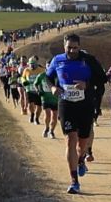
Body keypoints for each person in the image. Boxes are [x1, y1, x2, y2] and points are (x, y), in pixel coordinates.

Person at [45, 33, 105, 193]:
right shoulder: (57, 60)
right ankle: (74, 181)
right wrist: (52, 87)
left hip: (85, 104)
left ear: (79, 46)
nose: (72, 51)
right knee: (70, 139)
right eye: (69, 48)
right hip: (66, 104)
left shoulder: (88, 60)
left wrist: (87, 84)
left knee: (82, 143)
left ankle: (80, 160)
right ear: (64, 46)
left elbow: (102, 79)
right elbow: (47, 77)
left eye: (75, 48)